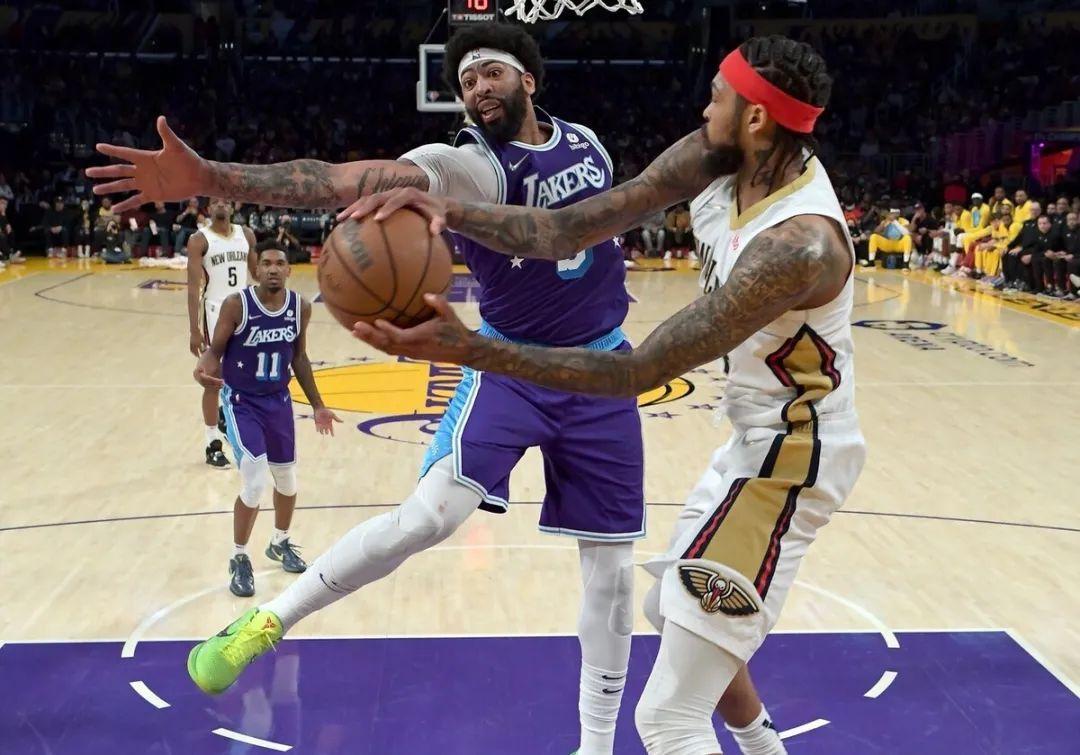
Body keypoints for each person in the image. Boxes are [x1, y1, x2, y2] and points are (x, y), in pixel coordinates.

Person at [87, 24, 782, 755]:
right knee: (428, 518)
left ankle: (595, 746)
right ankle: (268, 621)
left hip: (600, 365)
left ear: (529, 80)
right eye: (467, 82)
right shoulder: (462, 166)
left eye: (490, 73)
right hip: (510, 367)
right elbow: (338, 180)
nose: (478, 88)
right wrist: (212, 178)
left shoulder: (588, 143)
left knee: (610, 575)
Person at [349, 34, 860, 755]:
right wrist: (445, 209)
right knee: (669, 608)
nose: (703, 108)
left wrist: (470, 350)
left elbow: (632, 372)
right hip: (751, 440)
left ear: (755, 118)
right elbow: (567, 228)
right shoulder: (720, 156)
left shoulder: (798, 246)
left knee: (668, 720)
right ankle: (763, 745)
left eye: (716, 96)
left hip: (792, 459)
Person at [189, 240, 340, 598]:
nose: (273, 269)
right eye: (267, 263)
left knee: (287, 481)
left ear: (289, 270)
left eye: (280, 263)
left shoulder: (300, 307)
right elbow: (216, 351)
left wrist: (318, 405)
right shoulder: (236, 304)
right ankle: (239, 556)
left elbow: (299, 358)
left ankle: (280, 542)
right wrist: (201, 370)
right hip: (242, 401)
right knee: (255, 481)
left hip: (279, 402)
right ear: (256, 269)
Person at [185, 198, 257, 468]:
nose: (221, 205)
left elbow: (256, 273)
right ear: (208, 208)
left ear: (232, 206)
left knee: (241, 375)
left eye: (225, 201)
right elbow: (193, 288)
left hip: (244, 313)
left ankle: (228, 420)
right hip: (214, 313)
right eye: (215, 201)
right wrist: (194, 330)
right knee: (212, 378)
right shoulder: (199, 240)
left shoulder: (246, 234)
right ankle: (212, 443)